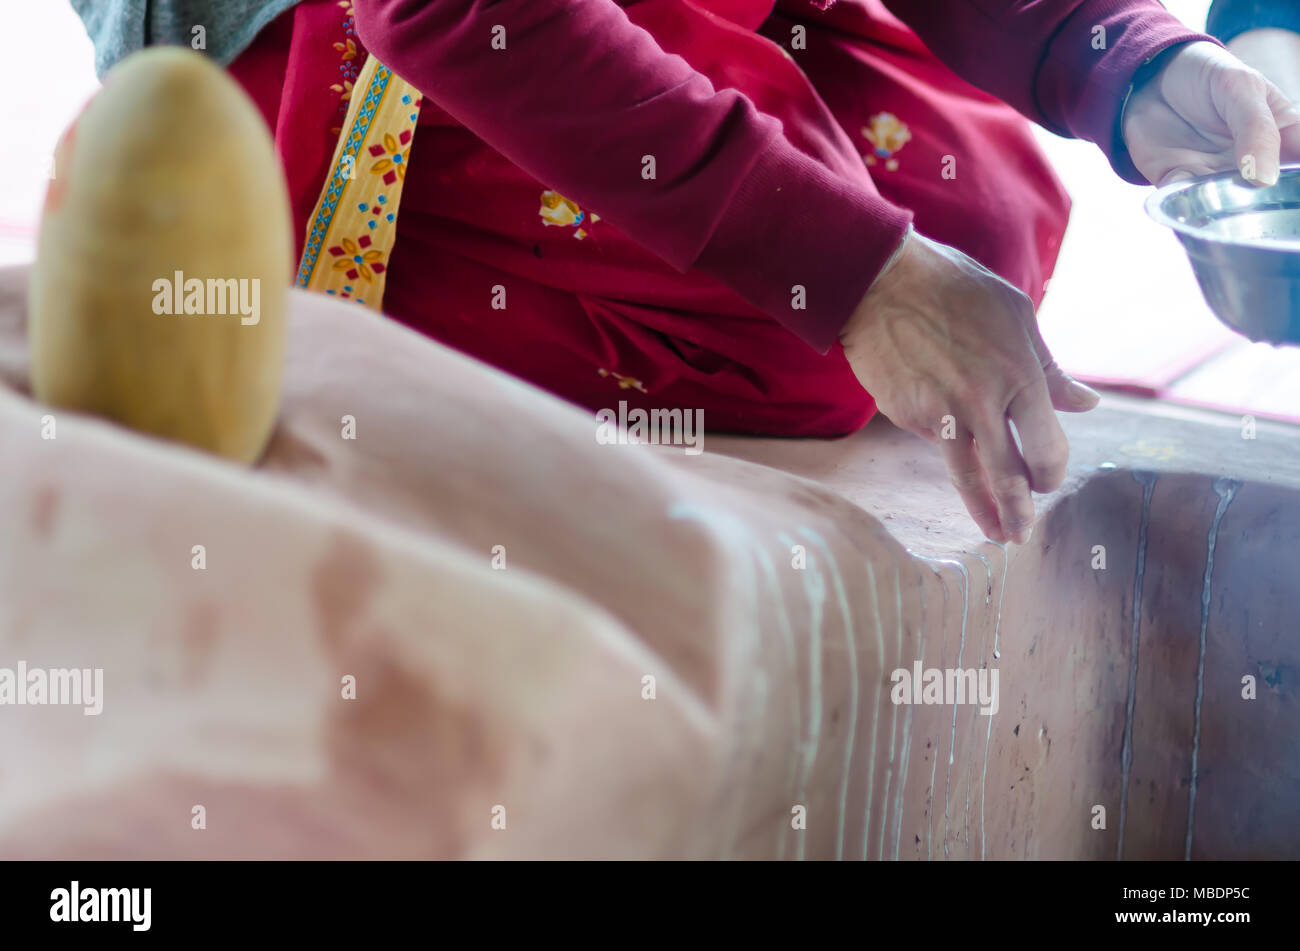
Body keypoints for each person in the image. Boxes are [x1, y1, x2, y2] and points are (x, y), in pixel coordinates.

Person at [73, 1, 1300, 544]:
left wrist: (1123, 66)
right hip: (371, 31)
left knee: (975, 216)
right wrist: (866, 281)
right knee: (799, 331)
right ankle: (212, 208)